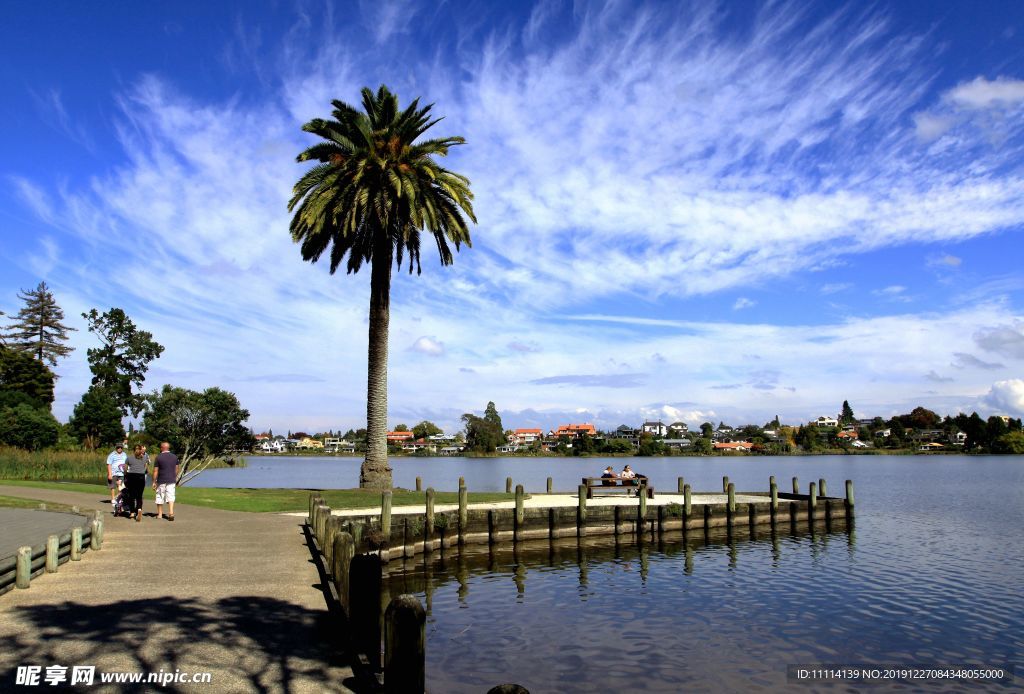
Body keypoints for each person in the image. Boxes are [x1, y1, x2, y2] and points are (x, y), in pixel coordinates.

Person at [152, 442, 179, 521]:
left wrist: (154, 481)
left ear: (162, 448)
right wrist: (174, 476)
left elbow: (155, 471)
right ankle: (171, 513)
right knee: (171, 496)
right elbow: (177, 469)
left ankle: (160, 514)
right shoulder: (175, 457)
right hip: (171, 480)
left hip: (161, 480)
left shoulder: (158, 457)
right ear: (168, 448)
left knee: (160, 496)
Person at [123, 445, 150, 522]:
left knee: (131, 495)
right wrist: (142, 471)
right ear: (141, 450)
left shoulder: (129, 458)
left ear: (133, 450)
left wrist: (125, 476)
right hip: (141, 477)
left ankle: (131, 512)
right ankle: (139, 509)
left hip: (131, 476)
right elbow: (146, 467)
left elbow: (125, 469)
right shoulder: (144, 458)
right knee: (139, 496)